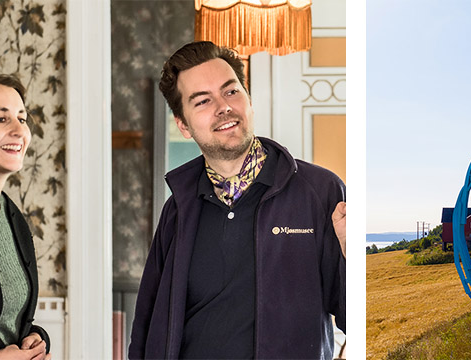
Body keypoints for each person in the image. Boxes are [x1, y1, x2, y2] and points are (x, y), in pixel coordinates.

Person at [129, 41, 347, 359]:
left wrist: (352, 258)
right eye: (202, 101)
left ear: (248, 98)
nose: (223, 107)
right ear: (183, 125)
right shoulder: (178, 208)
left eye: (231, 91)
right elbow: (148, 324)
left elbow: (356, 313)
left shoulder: (320, 190)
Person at [0, 74, 52, 360]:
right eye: (1, 119)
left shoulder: (12, 216)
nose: (19, 131)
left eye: (22, 118)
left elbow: (8, 321)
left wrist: (37, 339)